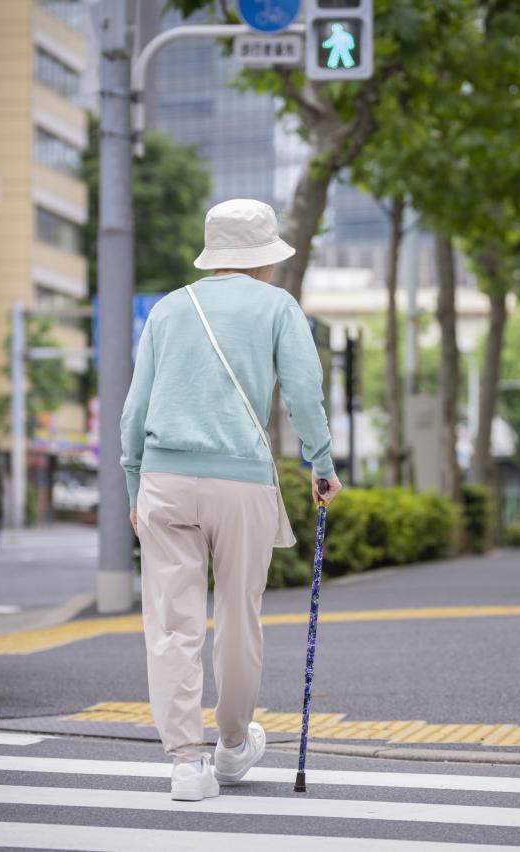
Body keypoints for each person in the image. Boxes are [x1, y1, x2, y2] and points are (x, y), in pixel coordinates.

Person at [120, 198, 342, 802]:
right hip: (242, 482)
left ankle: (186, 764)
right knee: (238, 617)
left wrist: (135, 484)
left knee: (172, 625)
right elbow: (304, 394)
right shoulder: (278, 307)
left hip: (164, 481)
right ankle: (233, 744)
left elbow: (134, 411)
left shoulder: (168, 309)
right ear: (264, 259)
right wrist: (320, 463)